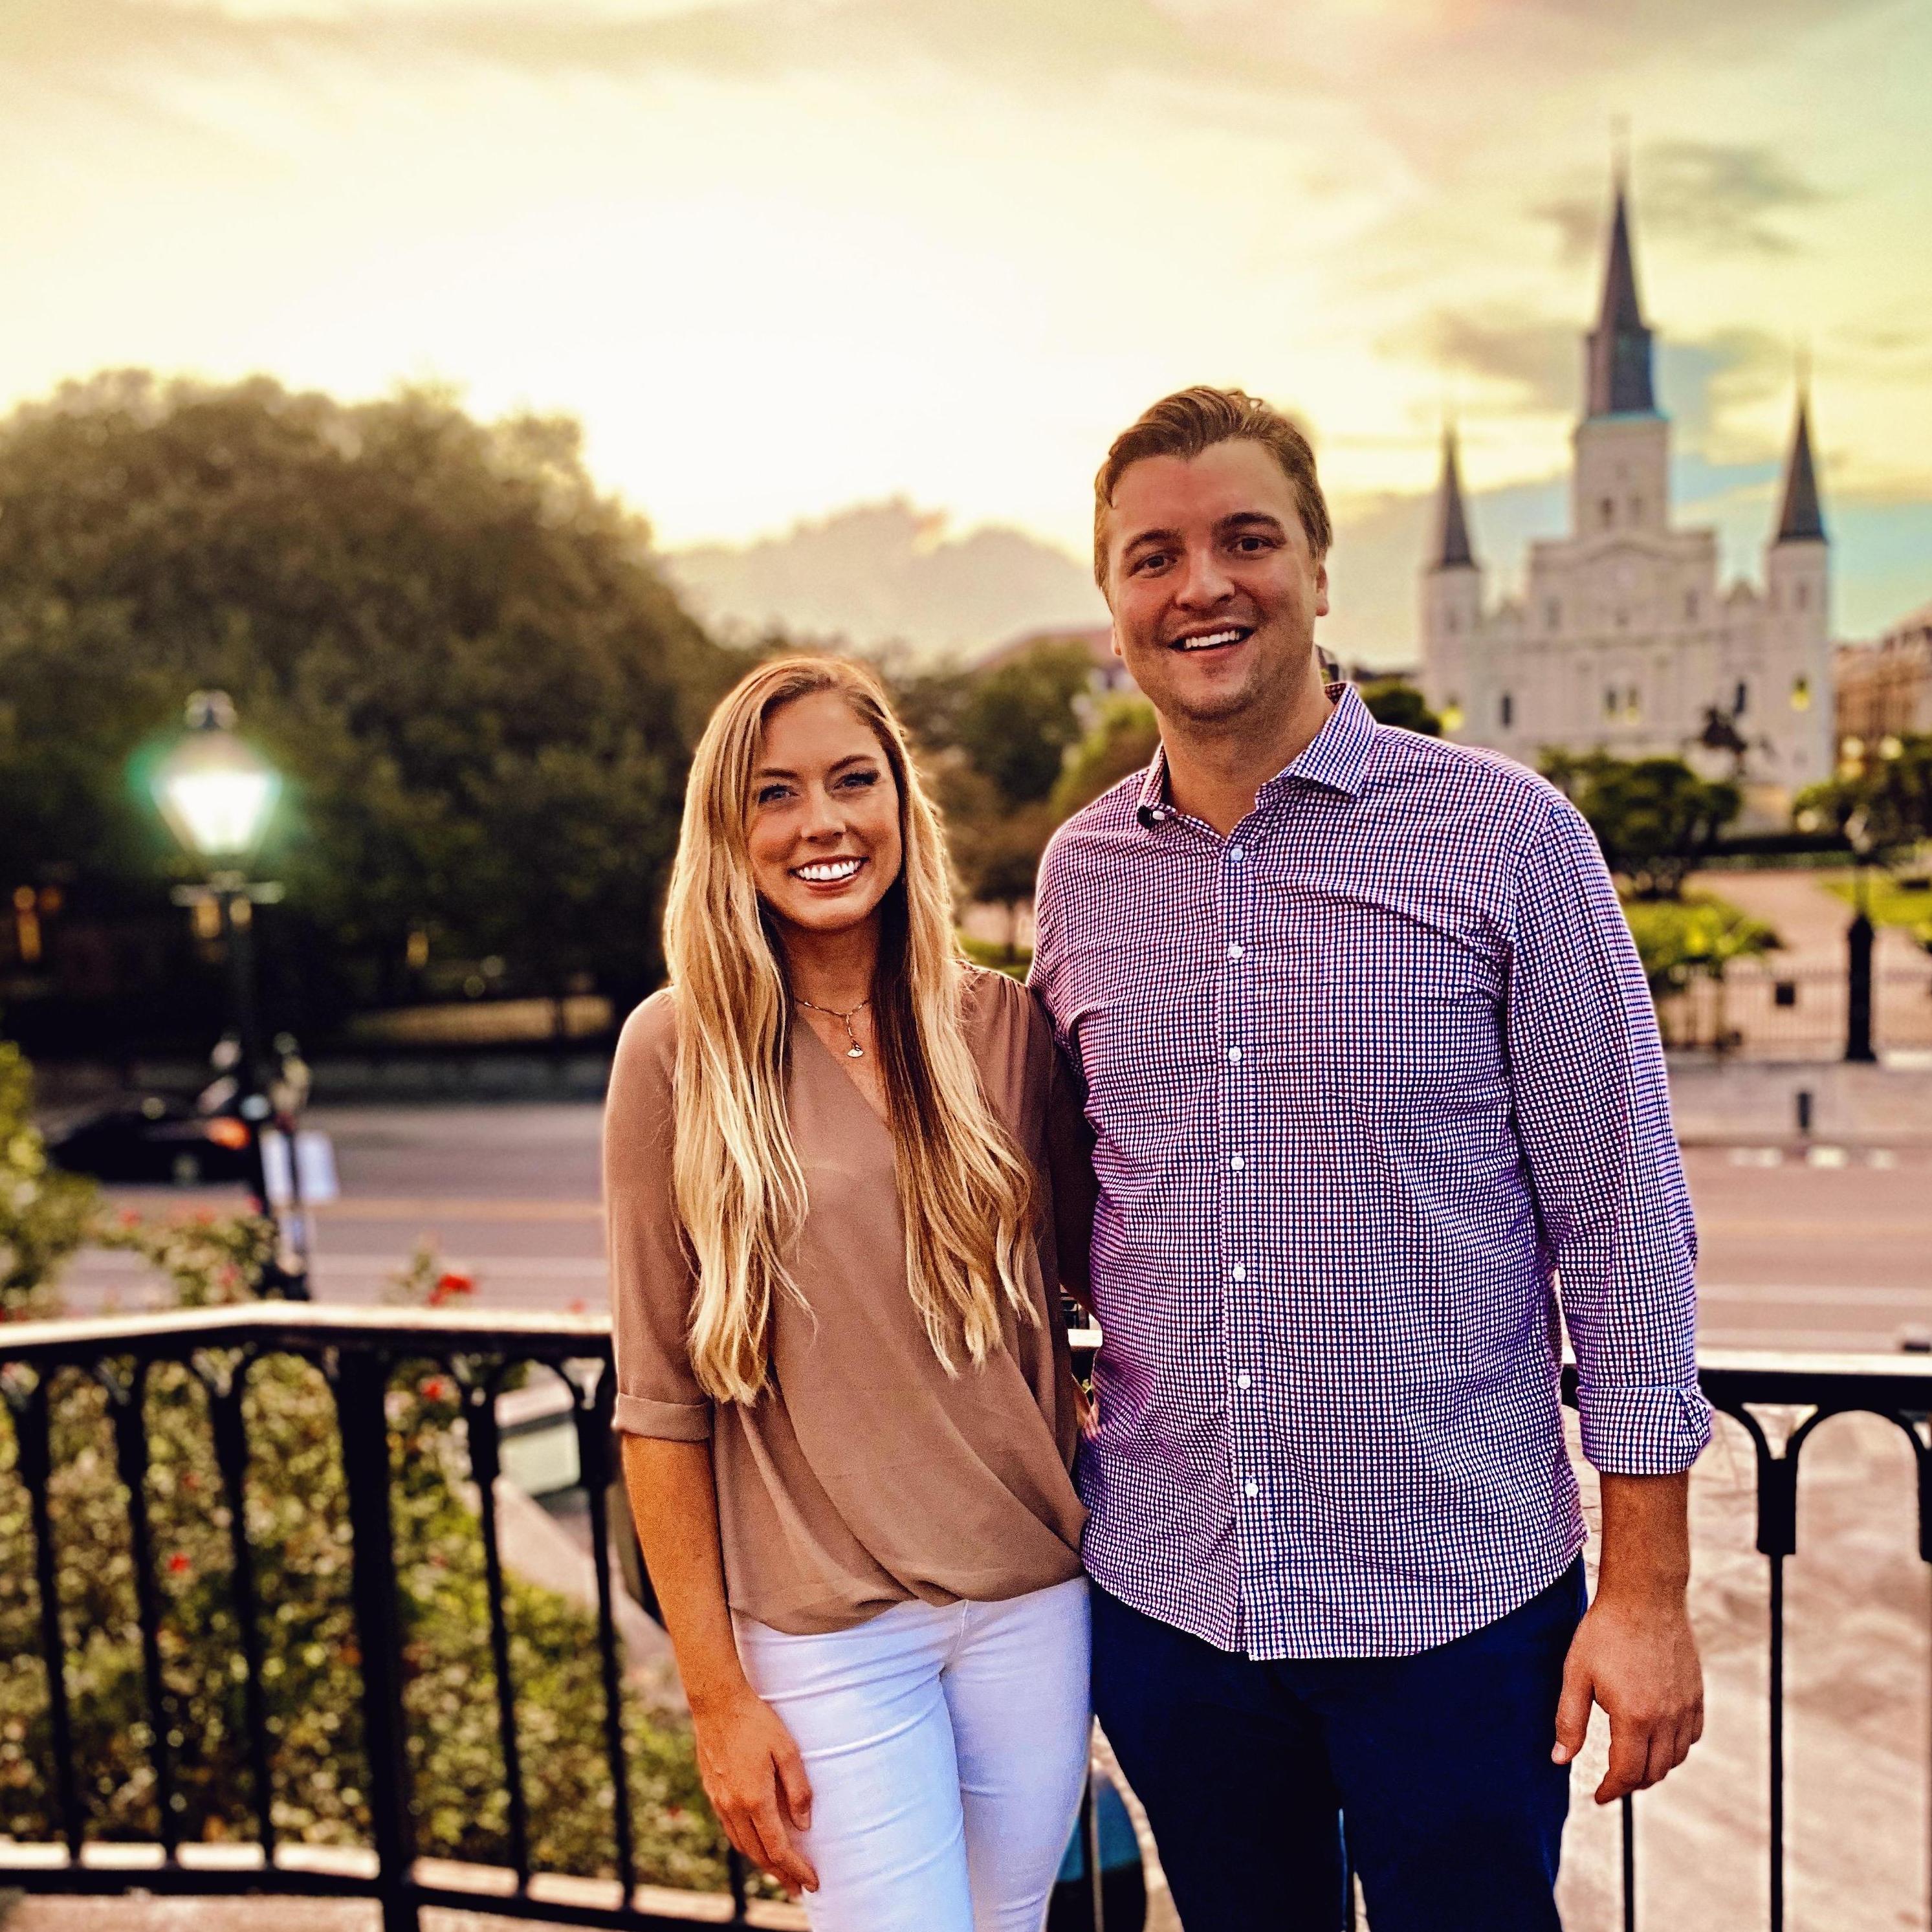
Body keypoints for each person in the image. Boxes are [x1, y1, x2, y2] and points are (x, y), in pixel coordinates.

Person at [1028, 387, 1711, 1931]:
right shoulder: (1079, 874)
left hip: (1453, 1613)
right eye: (1153, 555)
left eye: (1244, 539)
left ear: (1321, 570)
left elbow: (1621, 1225)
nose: (1200, 584)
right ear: (1114, 599)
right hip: (1174, 1606)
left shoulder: (1506, 840)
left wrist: (1645, 1589)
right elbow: (1077, 1201)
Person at [605, 655, 1095, 1932]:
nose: (820, 822)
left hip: (1029, 1598)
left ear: (898, 805)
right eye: (774, 794)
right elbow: (657, 1401)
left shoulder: (1001, 1027)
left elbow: (1112, 1270)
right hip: (824, 1633)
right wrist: (716, 1696)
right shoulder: (675, 1052)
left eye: (850, 781)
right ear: (729, 832)